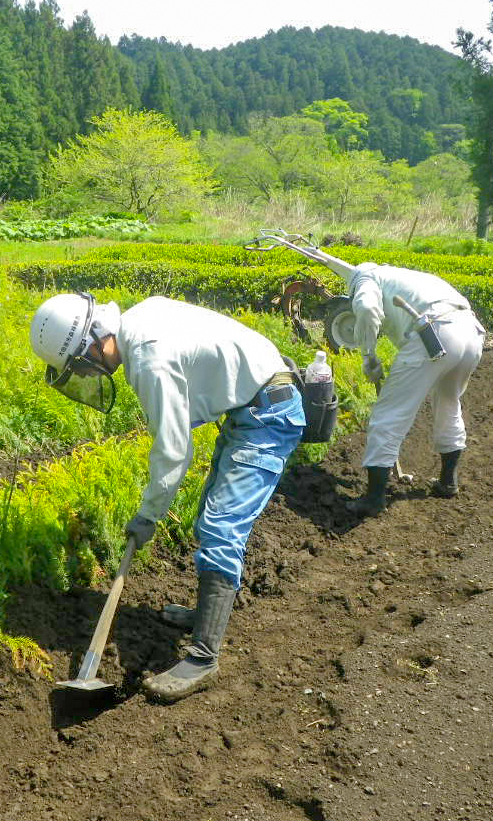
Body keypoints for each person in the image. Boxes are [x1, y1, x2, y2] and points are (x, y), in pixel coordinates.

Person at [30, 292, 305, 702]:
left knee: (220, 527)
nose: (89, 374)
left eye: (82, 365)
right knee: (209, 519)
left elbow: (174, 450)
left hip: (267, 416)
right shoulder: (142, 317)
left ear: (92, 343)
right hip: (253, 405)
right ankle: (204, 618)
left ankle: (204, 656)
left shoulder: (148, 357)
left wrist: (148, 516)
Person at [345, 263, 485, 517]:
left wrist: (368, 356)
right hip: (471, 332)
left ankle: (374, 500)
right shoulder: (405, 276)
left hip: (434, 332)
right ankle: (448, 482)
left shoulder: (366, 278)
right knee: (448, 402)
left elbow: (366, 307)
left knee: (389, 415)